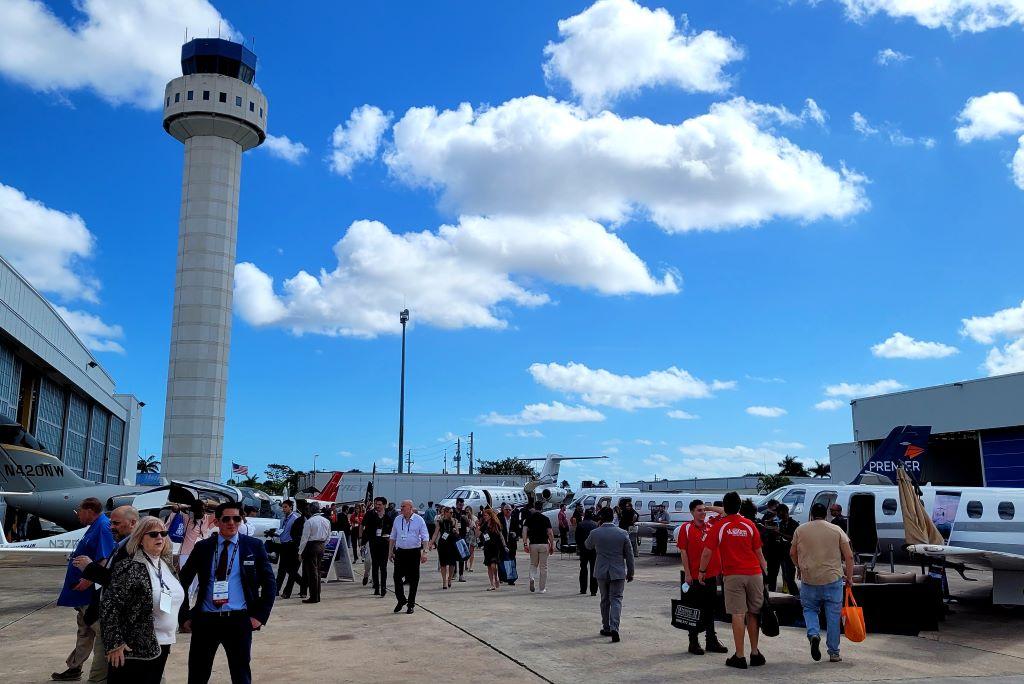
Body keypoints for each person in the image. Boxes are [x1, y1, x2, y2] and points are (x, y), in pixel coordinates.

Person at [178, 502, 276, 684]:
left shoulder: (253, 546)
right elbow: (182, 582)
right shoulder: (203, 548)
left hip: (239, 620)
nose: (232, 523)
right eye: (226, 519)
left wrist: (260, 616)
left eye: (237, 518)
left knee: (241, 674)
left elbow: (270, 584)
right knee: (198, 674)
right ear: (216, 522)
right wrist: (183, 616)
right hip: (206, 620)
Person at [100, 516, 185, 684]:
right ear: (140, 539)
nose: (160, 537)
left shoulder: (165, 564)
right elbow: (109, 606)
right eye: (153, 534)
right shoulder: (129, 566)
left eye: (163, 533)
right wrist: (115, 643)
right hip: (135, 647)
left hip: (164, 642)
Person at [699, 492, 768, 670]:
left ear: (724, 506)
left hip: (733, 574)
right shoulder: (750, 525)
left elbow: (707, 552)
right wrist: (765, 573)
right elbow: (759, 553)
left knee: (738, 614)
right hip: (755, 573)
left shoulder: (720, 526)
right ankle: (755, 652)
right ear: (740, 506)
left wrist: (702, 571)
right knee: (753, 613)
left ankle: (739, 655)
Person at [71, 505, 140, 684]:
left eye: (116, 523)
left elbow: (118, 583)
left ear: (133, 523)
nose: (111, 527)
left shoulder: (133, 550)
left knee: (98, 675)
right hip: (106, 619)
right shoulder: (120, 545)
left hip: (116, 624)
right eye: (111, 523)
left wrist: (89, 567)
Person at [52, 497, 115, 683]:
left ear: (89, 510)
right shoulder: (95, 526)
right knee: (84, 630)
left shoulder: (103, 526)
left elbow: (105, 558)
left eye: (79, 511)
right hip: (81, 593)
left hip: (90, 593)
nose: (78, 515)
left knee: (98, 630)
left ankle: (102, 673)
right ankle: (74, 667)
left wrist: (88, 580)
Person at [792, 502, 855, 664]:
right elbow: (849, 556)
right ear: (826, 514)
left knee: (810, 609)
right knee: (833, 617)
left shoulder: (800, 530)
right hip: (832, 579)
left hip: (809, 579)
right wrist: (849, 577)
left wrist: (799, 566)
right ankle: (834, 652)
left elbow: (792, 553)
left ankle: (813, 634)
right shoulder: (836, 530)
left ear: (811, 514)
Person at [677, 499, 729, 656]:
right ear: (692, 512)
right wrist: (687, 573)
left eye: (703, 510)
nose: (703, 513)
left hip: (711, 575)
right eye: (699, 510)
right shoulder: (686, 528)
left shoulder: (711, 525)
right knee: (694, 609)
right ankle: (693, 641)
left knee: (710, 608)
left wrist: (708, 507)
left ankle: (711, 640)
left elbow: (725, 512)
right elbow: (683, 552)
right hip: (693, 576)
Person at [586, 507, 634, 643]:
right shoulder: (623, 533)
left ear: (600, 518)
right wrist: (630, 572)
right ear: (613, 517)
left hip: (601, 571)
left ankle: (606, 627)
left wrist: (597, 528)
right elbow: (629, 555)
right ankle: (615, 628)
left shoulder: (595, 532)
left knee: (604, 599)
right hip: (618, 571)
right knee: (616, 599)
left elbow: (587, 545)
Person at [388, 500, 429, 614]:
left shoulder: (419, 520)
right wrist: (390, 551)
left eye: (403, 506)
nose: (401, 508)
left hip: (414, 552)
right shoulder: (397, 519)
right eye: (400, 506)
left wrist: (425, 552)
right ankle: (401, 600)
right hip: (400, 552)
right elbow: (393, 536)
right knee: (397, 577)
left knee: (414, 579)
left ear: (410, 507)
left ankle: (411, 604)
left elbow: (425, 537)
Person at [298, 503, 331, 604]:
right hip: (321, 545)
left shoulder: (309, 522)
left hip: (311, 546)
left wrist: (300, 552)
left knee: (312, 573)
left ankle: (313, 596)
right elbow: (328, 537)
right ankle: (317, 594)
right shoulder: (326, 521)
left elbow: (304, 538)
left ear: (310, 511)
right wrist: (323, 544)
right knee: (318, 571)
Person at [361, 497, 393, 597]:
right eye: (376, 504)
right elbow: (363, 526)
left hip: (384, 543)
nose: (377, 506)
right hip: (373, 542)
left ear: (384, 505)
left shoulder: (388, 517)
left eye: (379, 504)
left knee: (383, 567)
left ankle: (383, 587)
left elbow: (392, 531)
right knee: (374, 565)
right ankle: (376, 587)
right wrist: (361, 539)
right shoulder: (370, 515)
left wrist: (390, 539)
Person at [276, 500, 305, 599]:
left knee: (290, 570)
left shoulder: (295, 519)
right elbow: (282, 530)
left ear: (291, 507)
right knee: (281, 569)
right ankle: (276, 589)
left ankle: (303, 585)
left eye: (285, 507)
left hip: (291, 546)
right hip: (283, 545)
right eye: (283, 507)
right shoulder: (282, 519)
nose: (283, 509)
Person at [523, 500, 554, 593]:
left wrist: (525, 543)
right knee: (543, 567)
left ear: (534, 507)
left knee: (533, 564)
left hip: (533, 544)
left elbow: (524, 531)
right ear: (542, 508)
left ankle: (532, 578)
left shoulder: (529, 519)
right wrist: (552, 545)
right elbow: (550, 533)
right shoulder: (545, 518)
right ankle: (542, 588)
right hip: (544, 544)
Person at [770, 504, 800, 597]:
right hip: (780, 552)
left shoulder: (794, 524)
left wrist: (779, 533)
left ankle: (795, 596)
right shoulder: (780, 523)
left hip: (789, 554)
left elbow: (793, 538)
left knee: (789, 577)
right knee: (775, 575)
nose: (778, 516)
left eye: (779, 513)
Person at [429, 506, 459, 589]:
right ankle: (444, 581)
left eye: (452, 512)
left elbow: (458, 532)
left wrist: (455, 531)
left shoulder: (455, 521)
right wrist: (431, 542)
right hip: (443, 543)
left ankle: (450, 578)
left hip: (452, 543)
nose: (451, 514)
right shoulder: (440, 521)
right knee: (443, 563)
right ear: (445, 513)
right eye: (450, 512)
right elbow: (436, 533)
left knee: (452, 563)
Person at [478, 508, 507, 591]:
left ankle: (496, 577)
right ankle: (492, 584)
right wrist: (477, 526)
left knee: (493, 565)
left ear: (490, 516)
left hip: (495, 547)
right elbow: (478, 534)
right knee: (489, 566)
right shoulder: (484, 525)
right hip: (487, 547)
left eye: (486, 515)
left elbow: (501, 536)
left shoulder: (496, 524)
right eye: (484, 515)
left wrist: (504, 545)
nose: (484, 517)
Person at [575, 509, 598, 596]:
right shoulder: (595, 524)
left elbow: (577, 538)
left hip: (583, 549)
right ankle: (593, 590)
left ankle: (583, 589)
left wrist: (580, 546)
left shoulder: (580, 524)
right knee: (593, 570)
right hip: (594, 549)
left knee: (583, 569)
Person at [499, 503, 520, 586]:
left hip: (512, 544)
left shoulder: (515, 519)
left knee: (512, 560)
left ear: (511, 511)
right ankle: (502, 577)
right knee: (501, 560)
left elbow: (519, 530)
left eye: (509, 510)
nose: (508, 511)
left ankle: (511, 578)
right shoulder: (500, 519)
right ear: (503, 510)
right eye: (506, 509)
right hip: (502, 544)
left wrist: (516, 534)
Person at [453, 497, 470, 582]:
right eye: (460, 504)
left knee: (462, 556)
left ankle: (461, 575)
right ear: (456, 504)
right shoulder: (453, 512)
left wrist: (465, 517)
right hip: (454, 537)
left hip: (462, 537)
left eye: (462, 504)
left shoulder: (464, 513)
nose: (461, 506)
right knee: (453, 556)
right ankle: (454, 572)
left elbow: (468, 524)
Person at [464, 506, 479, 572]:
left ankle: (471, 566)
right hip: (466, 534)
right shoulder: (464, 517)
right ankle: (465, 564)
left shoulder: (474, 518)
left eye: (468, 510)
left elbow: (477, 527)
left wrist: (477, 535)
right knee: (466, 550)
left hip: (472, 534)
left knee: (471, 550)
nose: (467, 512)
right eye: (466, 510)